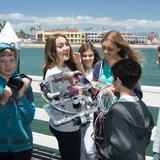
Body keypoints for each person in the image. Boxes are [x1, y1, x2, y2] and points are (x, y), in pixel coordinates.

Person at [98, 58, 154, 160]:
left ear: (118, 81)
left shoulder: (116, 110)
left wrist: (102, 150)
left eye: (113, 78)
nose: (112, 81)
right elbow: (146, 139)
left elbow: (119, 147)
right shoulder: (143, 107)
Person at [42, 34, 85, 160]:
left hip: (72, 122)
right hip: (65, 126)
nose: (66, 48)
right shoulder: (52, 72)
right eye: (60, 46)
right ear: (52, 51)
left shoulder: (68, 66)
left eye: (67, 44)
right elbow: (59, 99)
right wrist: (74, 84)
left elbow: (84, 85)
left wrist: (78, 65)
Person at [0, 43, 35, 160]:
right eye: (2, 61)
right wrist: (3, 100)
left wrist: (21, 95)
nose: (8, 65)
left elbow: (29, 117)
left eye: (11, 60)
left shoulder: (24, 84)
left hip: (23, 145)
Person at [93, 30, 142, 98]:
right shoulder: (99, 66)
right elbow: (93, 87)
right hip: (102, 108)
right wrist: (98, 87)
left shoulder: (127, 66)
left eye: (110, 49)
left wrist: (116, 90)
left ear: (119, 48)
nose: (105, 52)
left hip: (121, 108)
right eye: (103, 48)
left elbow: (138, 94)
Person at [78, 42, 101, 160]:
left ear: (95, 55)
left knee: (89, 150)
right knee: (81, 149)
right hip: (79, 113)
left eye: (90, 55)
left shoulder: (97, 71)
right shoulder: (75, 71)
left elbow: (92, 87)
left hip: (93, 115)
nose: (87, 58)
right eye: (84, 55)